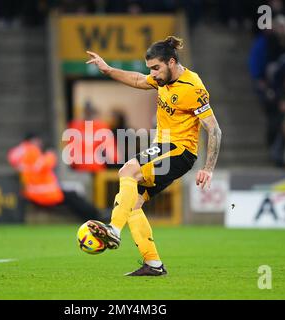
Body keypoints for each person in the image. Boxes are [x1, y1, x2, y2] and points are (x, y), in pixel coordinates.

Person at [85, 36, 222, 276]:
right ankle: (154, 264)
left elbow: (214, 129)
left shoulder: (193, 88)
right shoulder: (163, 80)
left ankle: (113, 230)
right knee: (134, 202)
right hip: (166, 149)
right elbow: (138, 80)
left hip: (178, 150)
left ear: (171, 62)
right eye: (151, 69)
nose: (153, 74)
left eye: (156, 68)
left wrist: (208, 168)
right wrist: (107, 69)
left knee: (127, 170)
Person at [7, 133, 104, 221]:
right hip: (45, 193)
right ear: (33, 140)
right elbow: (42, 165)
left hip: (39, 191)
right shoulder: (32, 151)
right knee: (74, 196)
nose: (40, 144)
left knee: (73, 195)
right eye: (38, 141)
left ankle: (94, 216)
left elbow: (14, 159)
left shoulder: (20, 152)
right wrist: (50, 155)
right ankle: (95, 217)